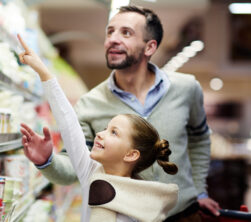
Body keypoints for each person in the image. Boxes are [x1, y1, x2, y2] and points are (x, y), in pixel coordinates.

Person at [20, 5, 220, 222]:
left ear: (150, 47)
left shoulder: (187, 88)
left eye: (126, 32)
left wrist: (200, 190)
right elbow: (73, 154)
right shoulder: (90, 103)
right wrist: (47, 161)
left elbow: (200, 140)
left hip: (184, 214)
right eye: (109, 31)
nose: (112, 39)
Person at [17, 33, 179, 222]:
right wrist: (43, 72)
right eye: (106, 128)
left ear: (131, 154)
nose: (100, 134)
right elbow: (70, 125)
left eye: (114, 133)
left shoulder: (142, 207)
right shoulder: (92, 172)